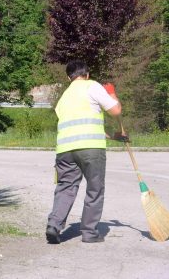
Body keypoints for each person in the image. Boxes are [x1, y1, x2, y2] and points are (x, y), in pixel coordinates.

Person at [46, 59, 123, 244]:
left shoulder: (63, 98)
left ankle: (54, 225)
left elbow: (81, 125)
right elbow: (116, 110)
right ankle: (89, 232)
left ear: (68, 78)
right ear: (87, 74)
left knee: (65, 187)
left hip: (65, 150)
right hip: (91, 149)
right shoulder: (92, 86)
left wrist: (112, 136)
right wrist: (112, 93)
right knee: (95, 189)